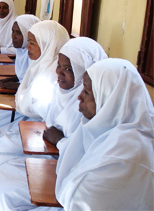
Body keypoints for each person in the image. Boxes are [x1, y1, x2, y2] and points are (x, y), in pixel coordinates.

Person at [0, 37, 108, 210]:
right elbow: (47, 119)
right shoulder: (64, 91)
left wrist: (60, 142)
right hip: (49, 147)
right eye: (59, 66)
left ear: (84, 71)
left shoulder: (90, 104)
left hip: (65, 166)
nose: (58, 72)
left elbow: (84, 154)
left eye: (68, 69)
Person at [0, 20, 70, 201]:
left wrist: (21, 95)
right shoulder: (40, 65)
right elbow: (27, 99)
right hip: (29, 125)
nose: (28, 47)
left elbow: (34, 107)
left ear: (47, 44)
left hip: (37, 133)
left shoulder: (55, 76)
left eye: (32, 43)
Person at [55, 58, 154, 211]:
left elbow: (84, 200)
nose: (79, 97)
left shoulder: (124, 157)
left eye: (86, 92)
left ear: (110, 99)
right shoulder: (105, 128)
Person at [0, 14, 40, 136]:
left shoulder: (36, 56)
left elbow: (34, 89)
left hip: (26, 109)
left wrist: (16, 85)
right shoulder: (23, 51)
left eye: (19, 33)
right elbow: (24, 75)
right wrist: (13, 79)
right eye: (13, 32)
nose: (13, 36)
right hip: (18, 99)